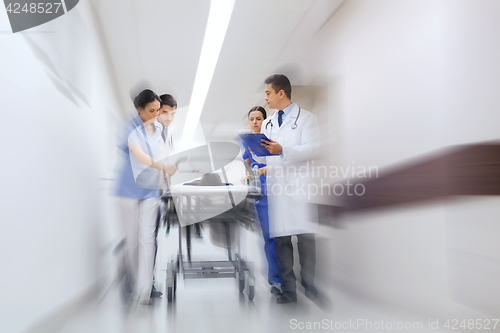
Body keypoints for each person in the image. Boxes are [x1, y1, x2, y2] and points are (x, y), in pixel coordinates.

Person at [260, 74, 321, 304]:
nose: (265, 97)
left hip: (299, 186)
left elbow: (313, 149)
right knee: (282, 242)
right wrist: (258, 149)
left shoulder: (307, 119)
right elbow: (266, 156)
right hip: (278, 188)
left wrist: (282, 150)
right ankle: (289, 291)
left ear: (280, 93)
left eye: (268, 93)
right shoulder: (267, 123)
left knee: (305, 238)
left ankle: (308, 283)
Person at [115, 89, 177, 305]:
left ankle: (144, 290)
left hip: (150, 191)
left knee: (147, 239)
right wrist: (163, 165)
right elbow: (139, 155)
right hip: (128, 191)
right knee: (133, 242)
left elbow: (161, 156)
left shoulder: (157, 129)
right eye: (151, 110)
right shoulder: (130, 128)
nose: (155, 114)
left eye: (157, 110)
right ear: (139, 109)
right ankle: (136, 284)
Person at [241, 106, 282, 295]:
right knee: (268, 237)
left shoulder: (271, 139)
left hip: (277, 190)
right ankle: (275, 279)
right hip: (261, 193)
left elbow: (281, 162)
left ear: (265, 120)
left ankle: (282, 277)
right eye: (252, 119)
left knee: (280, 237)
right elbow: (246, 164)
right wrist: (247, 176)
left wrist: (264, 170)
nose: (255, 122)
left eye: (258, 118)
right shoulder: (248, 144)